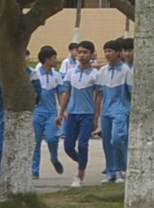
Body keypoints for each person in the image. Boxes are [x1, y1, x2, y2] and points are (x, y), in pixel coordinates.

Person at [61, 41, 101, 182]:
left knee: (83, 144)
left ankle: (80, 174)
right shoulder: (71, 73)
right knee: (68, 146)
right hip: (72, 114)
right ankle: (82, 162)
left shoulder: (95, 74)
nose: (82, 55)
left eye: (85, 52)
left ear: (91, 54)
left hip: (87, 115)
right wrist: (61, 113)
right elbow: (66, 93)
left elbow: (98, 97)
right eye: (80, 52)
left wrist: (96, 117)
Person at [29, 46, 64, 179]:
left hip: (51, 112)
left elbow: (60, 94)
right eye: (54, 58)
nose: (56, 60)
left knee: (52, 138)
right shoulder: (35, 74)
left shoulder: (57, 75)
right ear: (47, 60)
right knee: (35, 142)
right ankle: (34, 170)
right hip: (37, 112)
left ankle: (54, 158)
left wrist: (62, 110)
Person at [100, 38, 132, 184]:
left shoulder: (126, 70)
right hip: (105, 110)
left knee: (117, 138)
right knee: (107, 141)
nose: (107, 54)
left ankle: (120, 169)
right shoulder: (103, 70)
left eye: (110, 51)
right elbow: (99, 93)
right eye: (105, 51)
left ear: (118, 53)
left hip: (120, 110)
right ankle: (110, 171)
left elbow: (131, 92)